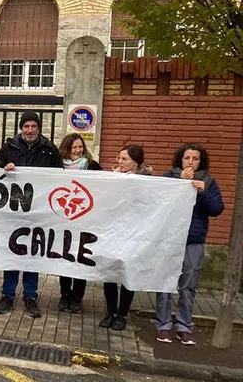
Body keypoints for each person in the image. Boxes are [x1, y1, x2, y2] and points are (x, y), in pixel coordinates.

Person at [0, 111, 62, 318]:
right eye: (26, 126)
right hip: (14, 209)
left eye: (33, 126)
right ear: (21, 128)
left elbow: (58, 177)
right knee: (13, 253)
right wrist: (6, 169)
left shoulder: (49, 150)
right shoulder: (9, 147)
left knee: (32, 253)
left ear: (38, 128)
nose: (30, 130)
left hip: (37, 212)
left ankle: (31, 296)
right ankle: (8, 294)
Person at [155, 144, 224, 345]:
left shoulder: (208, 182)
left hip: (193, 240)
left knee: (188, 285)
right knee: (166, 283)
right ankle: (164, 324)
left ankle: (184, 326)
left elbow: (217, 208)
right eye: (187, 158)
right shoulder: (169, 178)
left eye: (195, 158)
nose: (191, 162)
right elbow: (160, 203)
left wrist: (203, 191)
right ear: (180, 159)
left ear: (201, 161)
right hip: (170, 239)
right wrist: (180, 183)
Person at [100, 144, 152, 331]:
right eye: (119, 158)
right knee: (110, 274)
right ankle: (110, 312)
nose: (119, 162)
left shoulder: (147, 181)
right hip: (113, 232)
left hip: (133, 234)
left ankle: (122, 314)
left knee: (128, 274)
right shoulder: (115, 177)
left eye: (124, 159)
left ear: (135, 163)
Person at [56, 133, 102, 313]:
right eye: (74, 147)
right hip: (63, 221)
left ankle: (78, 297)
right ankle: (65, 294)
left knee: (81, 258)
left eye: (80, 147)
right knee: (65, 257)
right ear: (67, 149)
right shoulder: (58, 166)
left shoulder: (92, 166)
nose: (78, 150)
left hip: (85, 220)